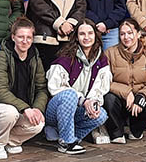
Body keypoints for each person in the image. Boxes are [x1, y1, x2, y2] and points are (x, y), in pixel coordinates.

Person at [0, 18, 48, 159]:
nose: (24, 41)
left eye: (28, 37)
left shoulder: (35, 59)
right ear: (13, 37)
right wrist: (25, 108)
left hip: (20, 109)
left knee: (38, 123)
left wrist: (37, 109)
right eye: (21, 37)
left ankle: (11, 141)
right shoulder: (1, 57)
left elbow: (41, 88)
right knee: (10, 112)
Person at [44, 19, 110, 153]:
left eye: (90, 33)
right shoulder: (66, 56)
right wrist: (83, 100)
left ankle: (69, 137)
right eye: (82, 34)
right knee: (70, 95)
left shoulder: (101, 59)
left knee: (101, 115)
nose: (86, 37)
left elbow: (100, 87)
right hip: (55, 110)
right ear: (76, 37)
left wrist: (92, 102)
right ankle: (66, 142)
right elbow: (55, 87)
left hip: (77, 110)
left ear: (95, 35)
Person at [103, 18, 146, 142]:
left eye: (130, 33)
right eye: (122, 34)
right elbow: (104, 81)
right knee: (108, 99)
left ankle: (136, 130)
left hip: (138, 103)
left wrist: (142, 96)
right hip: (120, 101)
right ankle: (116, 132)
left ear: (137, 34)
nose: (126, 37)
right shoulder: (110, 53)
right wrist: (126, 92)